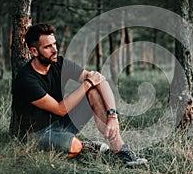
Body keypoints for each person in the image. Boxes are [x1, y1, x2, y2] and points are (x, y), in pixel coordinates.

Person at [12, 23, 147, 165]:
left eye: (54, 44)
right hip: (37, 134)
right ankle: (87, 147)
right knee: (75, 146)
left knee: (94, 92)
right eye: (48, 47)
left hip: (60, 124)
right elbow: (60, 108)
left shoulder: (59, 63)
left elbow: (100, 80)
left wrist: (113, 116)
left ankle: (120, 152)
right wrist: (88, 83)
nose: (54, 50)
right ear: (34, 51)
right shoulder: (26, 79)